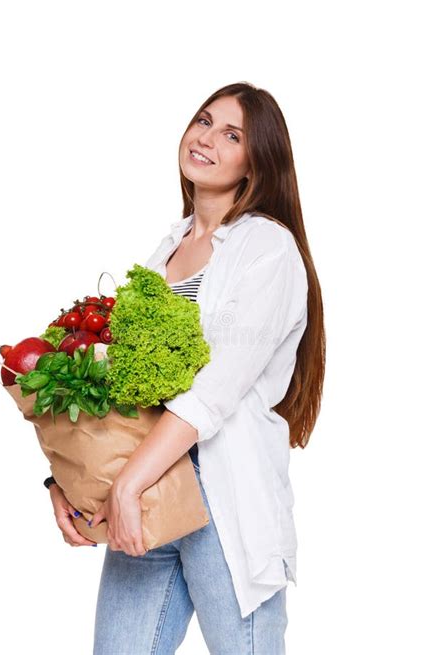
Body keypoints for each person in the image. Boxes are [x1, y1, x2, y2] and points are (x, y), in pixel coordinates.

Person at [46, 81, 325, 654]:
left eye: (232, 135)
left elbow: (213, 392)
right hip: (151, 492)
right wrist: (69, 482)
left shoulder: (266, 250)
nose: (206, 139)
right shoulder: (166, 250)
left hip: (219, 499)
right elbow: (121, 386)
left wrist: (125, 483)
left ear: (256, 163)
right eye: (203, 121)